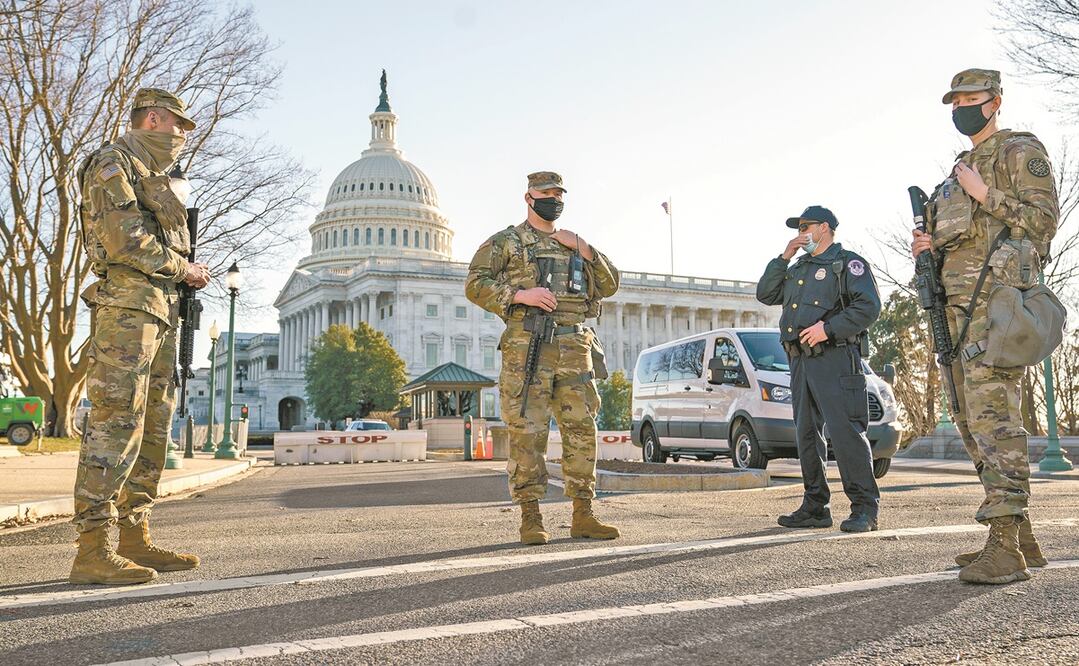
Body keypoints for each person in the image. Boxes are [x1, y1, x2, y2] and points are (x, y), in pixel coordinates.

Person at [911, 69, 1058, 585]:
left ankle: (1004, 548)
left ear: (996, 102)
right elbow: (957, 241)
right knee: (971, 423)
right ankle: (1022, 540)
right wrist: (927, 248)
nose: (964, 109)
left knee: (996, 421)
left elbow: (1042, 225)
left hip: (995, 310)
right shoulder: (953, 175)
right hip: (952, 313)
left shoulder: (1018, 150)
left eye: (973, 100)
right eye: (957, 101)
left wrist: (985, 194)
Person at [71, 88, 210, 585]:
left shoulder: (154, 176)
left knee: (152, 425)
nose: (179, 137)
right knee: (116, 423)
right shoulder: (113, 163)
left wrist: (180, 277)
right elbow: (123, 240)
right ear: (154, 118)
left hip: (160, 310)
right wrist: (184, 267)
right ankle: (93, 549)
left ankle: (133, 536)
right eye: (178, 127)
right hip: (127, 312)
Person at [465, 171, 620, 545]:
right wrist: (521, 296)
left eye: (558, 193)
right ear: (529, 198)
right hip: (528, 347)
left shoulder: (574, 243)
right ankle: (530, 517)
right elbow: (474, 283)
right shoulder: (508, 241)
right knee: (528, 432)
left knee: (582, 430)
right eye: (546, 193)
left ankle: (584, 514)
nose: (554, 199)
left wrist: (585, 248)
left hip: (575, 347)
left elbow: (611, 284)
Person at [756, 205, 883, 533]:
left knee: (845, 433)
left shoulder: (846, 264)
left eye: (805, 227)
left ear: (825, 227)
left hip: (835, 358)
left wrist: (828, 328)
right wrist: (783, 257)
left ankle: (864, 508)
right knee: (807, 434)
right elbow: (766, 293)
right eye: (797, 229)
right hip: (800, 361)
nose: (800, 234)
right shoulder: (798, 268)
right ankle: (815, 506)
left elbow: (869, 306)